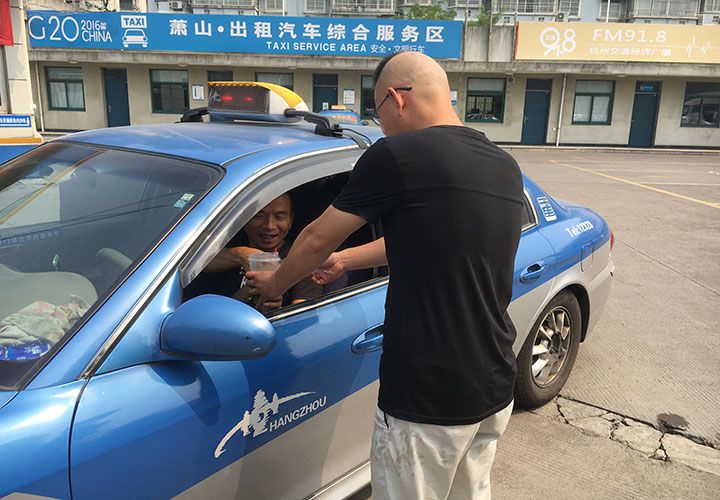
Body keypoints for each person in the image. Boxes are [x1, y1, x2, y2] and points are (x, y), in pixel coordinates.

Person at [247, 51, 524, 499]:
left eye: (378, 113)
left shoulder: (398, 155)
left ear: (396, 99)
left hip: (428, 395)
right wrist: (346, 261)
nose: (381, 127)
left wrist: (274, 286)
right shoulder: (501, 163)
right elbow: (435, 239)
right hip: (493, 381)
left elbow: (316, 238)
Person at [205, 193, 320, 314]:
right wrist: (240, 255)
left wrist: (273, 311)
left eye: (279, 217)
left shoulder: (301, 260)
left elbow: (304, 317)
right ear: (244, 218)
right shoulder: (230, 243)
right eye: (259, 216)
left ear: (290, 221)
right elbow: (200, 263)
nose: (269, 226)